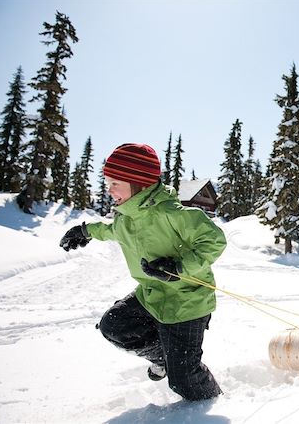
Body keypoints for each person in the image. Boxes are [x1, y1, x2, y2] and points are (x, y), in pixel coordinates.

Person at [59, 143, 227, 401]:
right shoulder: (126, 218)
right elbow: (109, 230)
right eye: (108, 182)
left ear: (138, 183)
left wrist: (179, 267)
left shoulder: (172, 213)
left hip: (187, 302)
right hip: (151, 296)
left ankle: (213, 404)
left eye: (115, 182)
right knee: (114, 325)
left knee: (184, 381)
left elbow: (214, 241)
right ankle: (163, 358)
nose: (109, 189)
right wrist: (85, 231)